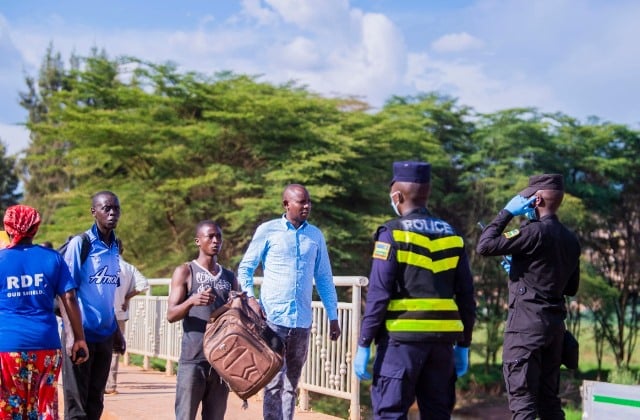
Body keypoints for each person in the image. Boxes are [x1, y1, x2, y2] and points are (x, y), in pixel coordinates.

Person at [354, 161, 476, 419]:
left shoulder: (392, 234)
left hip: (401, 345)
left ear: (396, 196)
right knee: (437, 414)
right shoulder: (452, 234)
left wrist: (364, 343)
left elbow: (378, 294)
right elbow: (466, 296)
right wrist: (464, 344)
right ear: (427, 193)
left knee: (391, 414)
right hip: (442, 346)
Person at [476, 174, 580, 419]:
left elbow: (485, 245)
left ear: (539, 199)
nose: (525, 202)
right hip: (554, 332)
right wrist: (521, 271)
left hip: (525, 332)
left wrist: (507, 212)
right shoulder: (571, 239)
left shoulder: (532, 232)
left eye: (527, 198)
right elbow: (571, 288)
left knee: (523, 405)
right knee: (550, 405)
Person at [237, 183, 341, 420]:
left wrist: (333, 316)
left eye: (309, 202)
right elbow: (246, 268)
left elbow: (324, 278)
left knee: (291, 383)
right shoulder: (268, 230)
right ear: (286, 204)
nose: (307, 206)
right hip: (272, 319)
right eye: (301, 202)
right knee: (273, 381)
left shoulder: (315, 236)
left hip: (301, 322)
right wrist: (251, 299)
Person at [0, 204, 89, 419]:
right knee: (44, 407)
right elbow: (69, 297)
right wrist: (79, 338)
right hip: (46, 346)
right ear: (35, 228)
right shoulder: (52, 258)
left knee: (9, 409)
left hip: (7, 347)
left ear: (8, 227)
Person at [61, 190, 126, 420]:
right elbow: (66, 292)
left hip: (105, 335)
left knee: (96, 402)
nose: (111, 213)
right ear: (94, 212)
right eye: (106, 208)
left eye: (115, 208)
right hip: (82, 334)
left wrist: (116, 330)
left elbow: (107, 293)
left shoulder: (116, 246)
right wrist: (71, 335)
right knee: (76, 404)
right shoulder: (81, 244)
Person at [167, 220, 238, 420]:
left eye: (219, 237)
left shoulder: (229, 277)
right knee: (185, 416)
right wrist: (192, 301)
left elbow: (236, 316)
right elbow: (171, 314)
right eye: (210, 236)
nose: (216, 241)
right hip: (193, 359)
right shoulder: (186, 271)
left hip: (221, 360)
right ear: (198, 241)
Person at [105, 238, 150, 395]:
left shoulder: (100, 265)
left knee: (98, 347)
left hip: (100, 313)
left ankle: (97, 385)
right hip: (120, 313)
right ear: (122, 250)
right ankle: (111, 385)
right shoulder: (128, 268)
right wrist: (126, 296)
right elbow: (143, 285)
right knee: (114, 350)